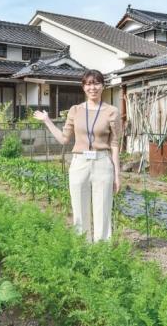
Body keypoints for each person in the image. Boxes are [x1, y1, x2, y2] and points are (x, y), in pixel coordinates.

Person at [33, 69, 120, 242]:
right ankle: (83, 250)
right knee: (79, 210)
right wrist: (47, 121)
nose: (92, 87)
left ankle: (102, 253)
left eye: (96, 83)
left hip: (103, 162)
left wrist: (118, 174)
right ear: (83, 87)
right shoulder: (75, 110)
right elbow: (64, 139)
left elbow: (115, 144)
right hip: (79, 163)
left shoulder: (112, 111)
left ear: (103, 86)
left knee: (103, 209)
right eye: (88, 84)